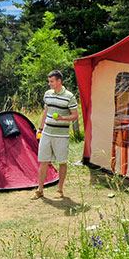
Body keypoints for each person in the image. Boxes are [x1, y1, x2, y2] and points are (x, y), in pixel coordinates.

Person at [35, 70, 79, 199]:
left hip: (61, 135)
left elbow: (75, 115)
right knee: (43, 161)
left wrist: (62, 119)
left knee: (62, 162)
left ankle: (59, 190)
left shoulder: (69, 96)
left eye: (52, 81)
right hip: (47, 133)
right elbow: (46, 111)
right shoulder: (47, 94)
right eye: (49, 81)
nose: (49, 84)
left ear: (59, 81)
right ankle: (40, 190)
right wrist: (40, 128)